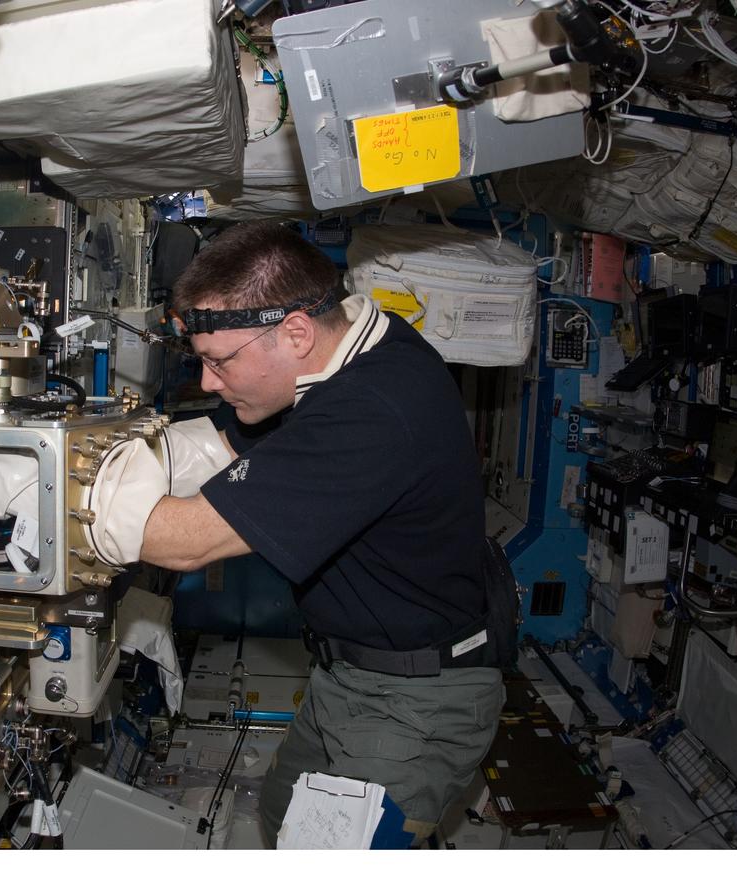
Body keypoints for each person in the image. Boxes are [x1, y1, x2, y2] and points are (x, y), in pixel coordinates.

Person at [91, 221, 505, 846]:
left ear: (295, 331)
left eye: (218, 362)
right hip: (346, 672)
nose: (207, 383)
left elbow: (180, 541)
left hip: (416, 704)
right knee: (280, 817)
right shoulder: (356, 344)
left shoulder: (375, 410)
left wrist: (40, 485)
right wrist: (119, 448)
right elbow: (222, 441)